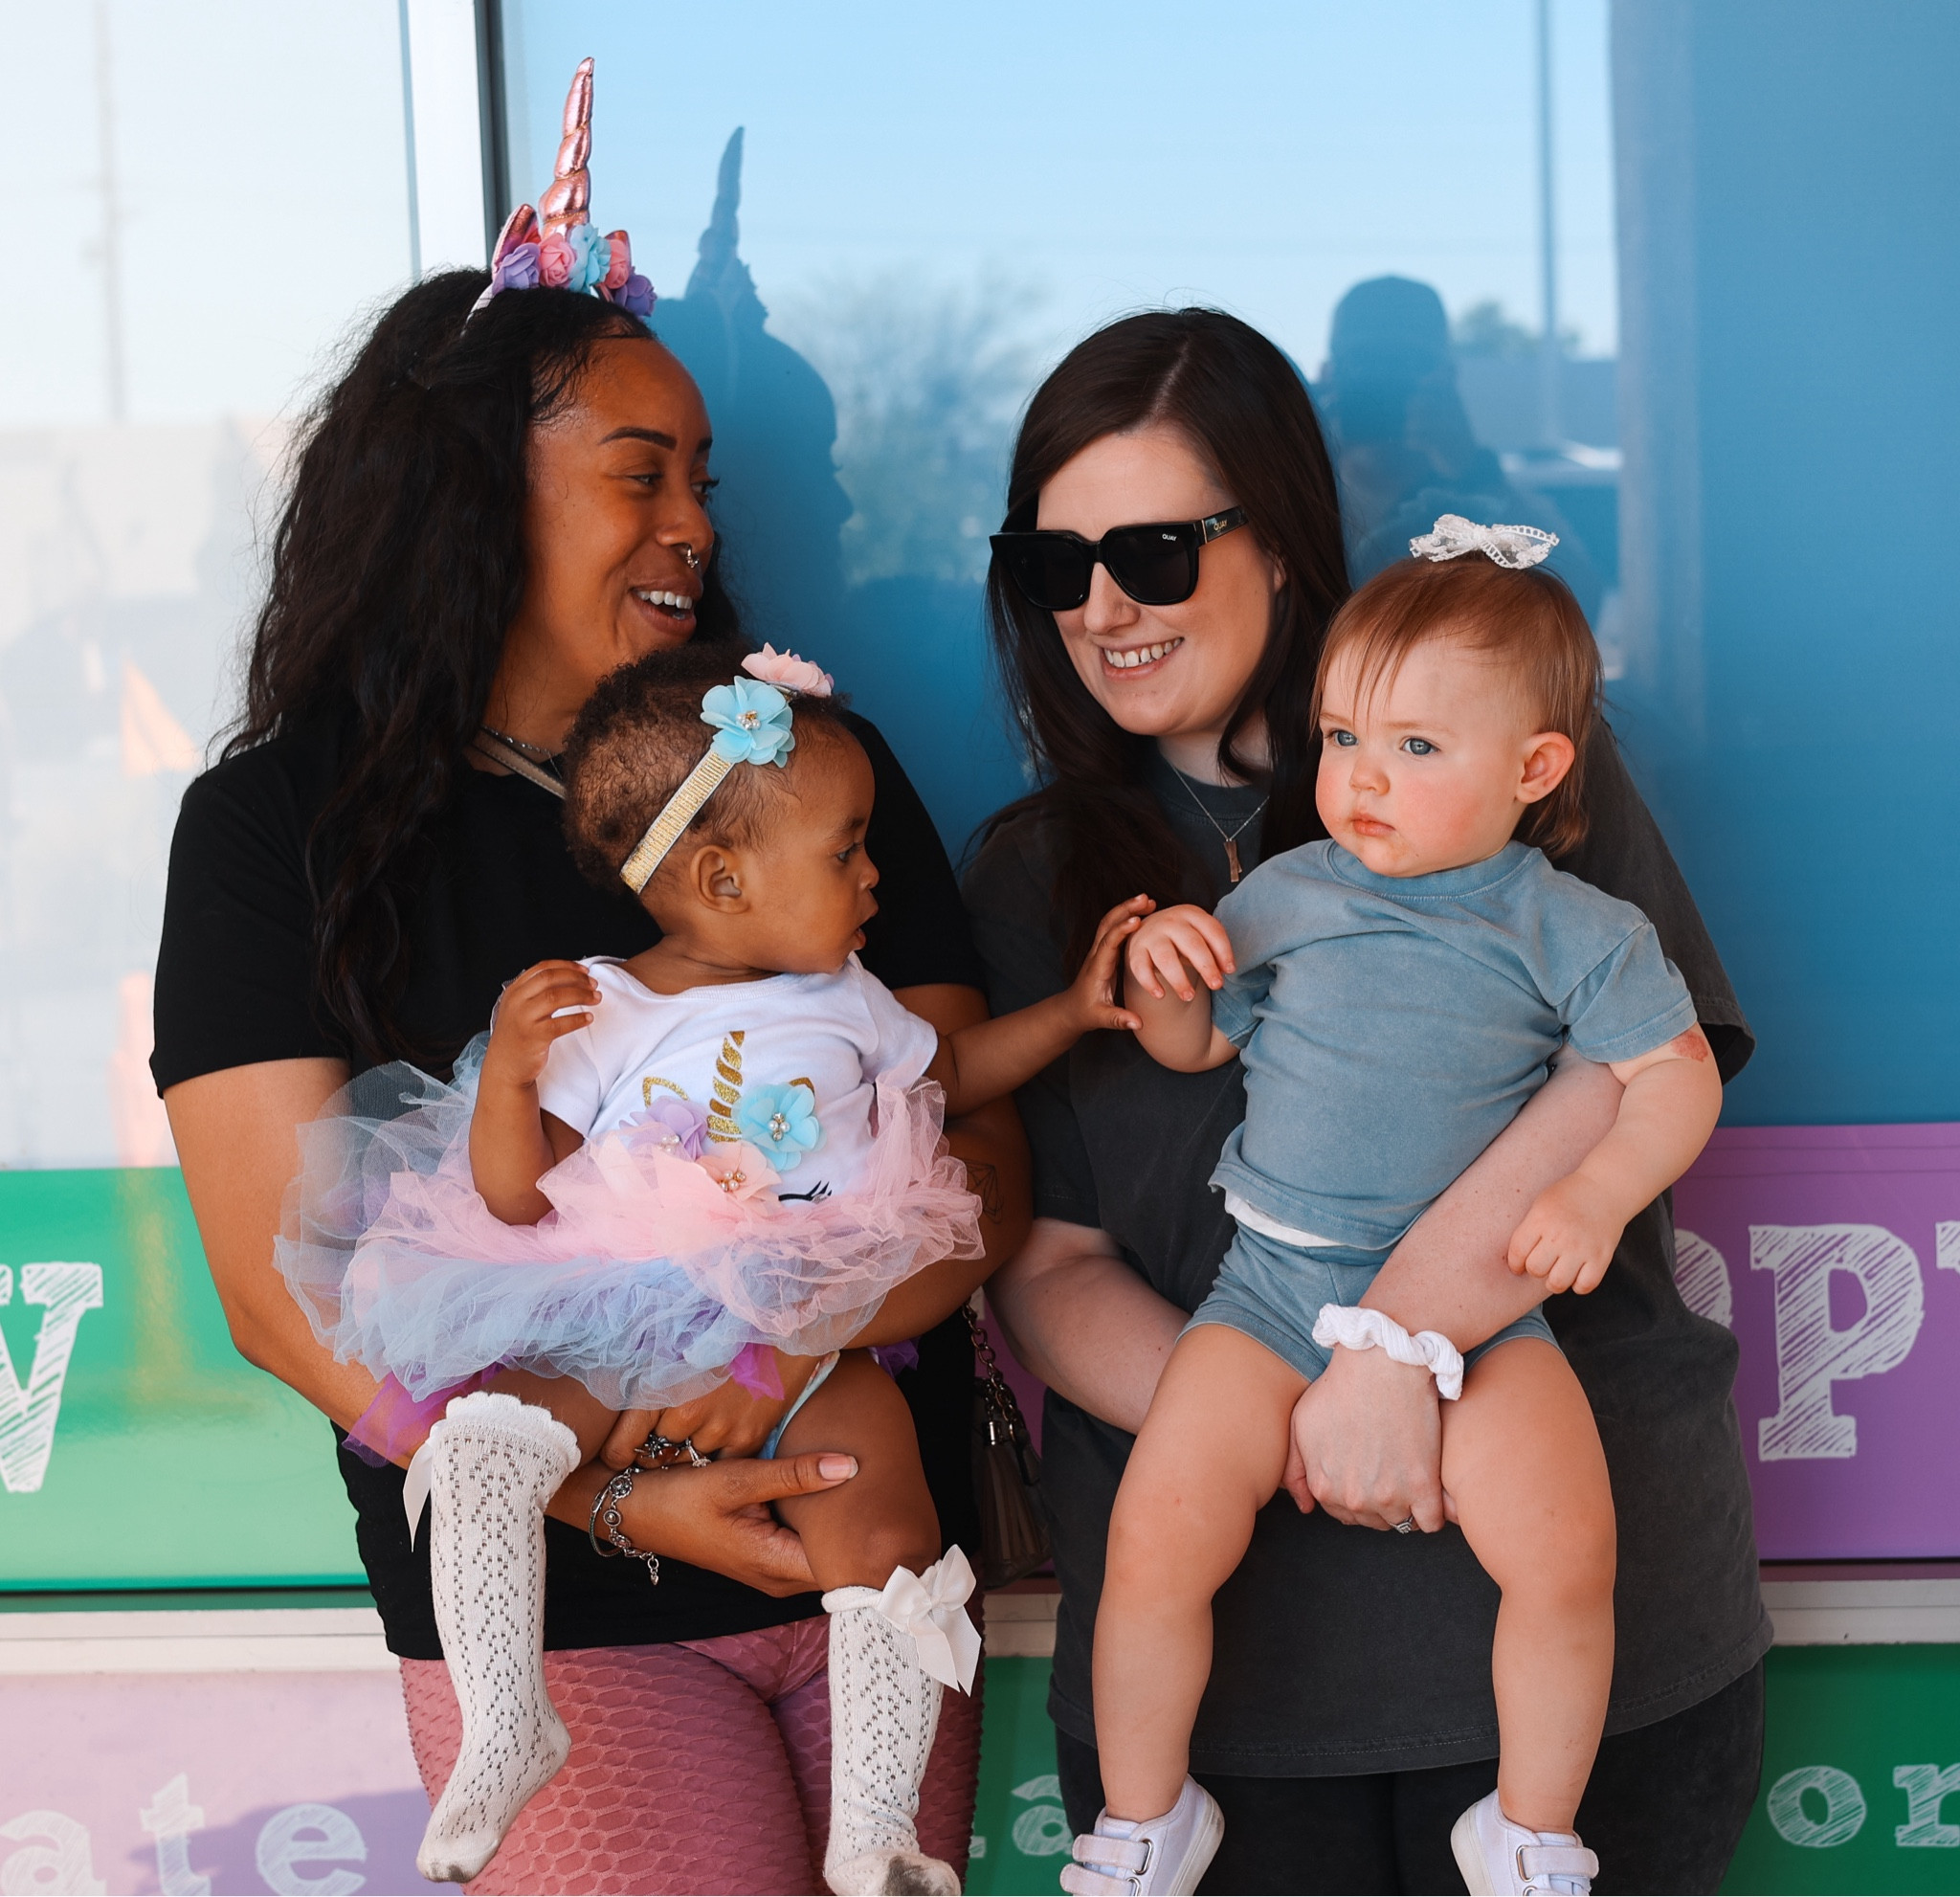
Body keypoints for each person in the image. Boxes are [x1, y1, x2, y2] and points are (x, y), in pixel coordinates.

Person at [153, 63, 1028, 1896]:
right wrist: (616, 1485)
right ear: (473, 496)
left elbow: (971, 1150)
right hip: (559, 1622)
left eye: (703, 478)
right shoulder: (276, 831)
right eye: (640, 474)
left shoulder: (809, 777)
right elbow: (271, 1282)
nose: (694, 524)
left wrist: (799, 1351)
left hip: (870, 1545)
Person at [966, 308, 1768, 1896]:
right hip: (1237, 1710)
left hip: (1591, 1658)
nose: (1107, 604)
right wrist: (1274, 1416)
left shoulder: (1502, 775)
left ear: (1278, 535)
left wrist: (1396, 1354)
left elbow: (1628, 1086)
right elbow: (1041, 1262)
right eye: (1058, 566)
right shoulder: (1031, 874)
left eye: (1153, 548)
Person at [284, 640, 1145, 1891]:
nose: (874, 874)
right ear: (723, 877)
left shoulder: (854, 1000)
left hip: (811, 1312)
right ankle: (505, 1720)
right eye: (845, 850)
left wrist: (1068, 1014)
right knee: (483, 1447)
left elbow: (947, 1078)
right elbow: (519, 1195)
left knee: (884, 1507)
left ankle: (879, 1822)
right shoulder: (604, 1009)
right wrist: (516, 1078)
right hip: (612, 1314)